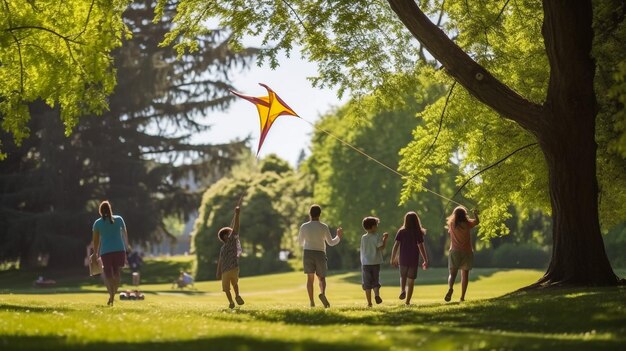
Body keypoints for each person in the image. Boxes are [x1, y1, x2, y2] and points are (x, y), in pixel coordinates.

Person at [297, 204, 343, 308]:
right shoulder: (324, 227)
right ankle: (322, 293)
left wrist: (308, 242)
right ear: (319, 214)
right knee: (321, 278)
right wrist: (338, 237)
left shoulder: (304, 226)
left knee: (310, 279)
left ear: (310, 214)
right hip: (320, 253)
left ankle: (312, 302)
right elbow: (331, 242)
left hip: (308, 252)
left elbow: (300, 242)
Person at [92, 200, 130, 306]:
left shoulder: (97, 223)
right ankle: (113, 294)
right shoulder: (119, 219)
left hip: (106, 251)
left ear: (100, 211)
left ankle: (111, 295)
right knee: (117, 272)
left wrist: (95, 253)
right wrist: (127, 248)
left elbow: (95, 240)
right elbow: (125, 234)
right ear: (110, 209)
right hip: (119, 249)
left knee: (107, 275)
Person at [390, 211, 429, 306]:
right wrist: (425, 259)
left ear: (405, 220)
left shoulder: (401, 231)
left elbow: (396, 245)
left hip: (403, 258)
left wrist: (393, 257)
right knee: (411, 281)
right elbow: (421, 246)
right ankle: (407, 302)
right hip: (413, 259)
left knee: (403, 276)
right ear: (416, 221)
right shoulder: (418, 232)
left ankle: (402, 290)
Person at [445, 206, 480, 302]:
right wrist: (475, 214)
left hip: (455, 251)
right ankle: (462, 297)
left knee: (452, 274)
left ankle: (450, 288)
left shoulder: (452, 224)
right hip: (467, 251)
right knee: (465, 275)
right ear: (464, 215)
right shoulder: (468, 224)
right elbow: (477, 222)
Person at [216, 206, 245, 309]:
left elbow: (236, 226)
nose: (232, 233)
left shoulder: (232, 241)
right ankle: (231, 302)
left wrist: (237, 214)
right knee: (226, 289)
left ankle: (237, 296)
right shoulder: (223, 248)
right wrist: (218, 271)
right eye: (229, 233)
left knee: (234, 284)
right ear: (224, 236)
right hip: (225, 270)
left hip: (232, 268)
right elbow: (220, 260)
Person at [360, 216, 389, 307]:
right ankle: (376, 295)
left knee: (367, 284)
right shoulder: (376, 236)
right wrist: (384, 239)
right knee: (375, 281)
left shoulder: (363, 238)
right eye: (376, 226)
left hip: (366, 264)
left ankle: (369, 303)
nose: (377, 227)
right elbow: (381, 247)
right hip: (375, 263)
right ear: (372, 227)